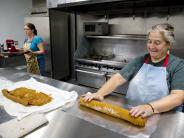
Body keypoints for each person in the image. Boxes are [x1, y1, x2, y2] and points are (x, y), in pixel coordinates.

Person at [83, 23, 184, 118]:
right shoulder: (139, 60)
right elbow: (118, 78)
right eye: (149, 41)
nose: (151, 46)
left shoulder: (177, 65)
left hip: (162, 117)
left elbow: (178, 96)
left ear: (168, 44)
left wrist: (150, 107)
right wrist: (100, 93)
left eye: (157, 43)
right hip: (133, 113)